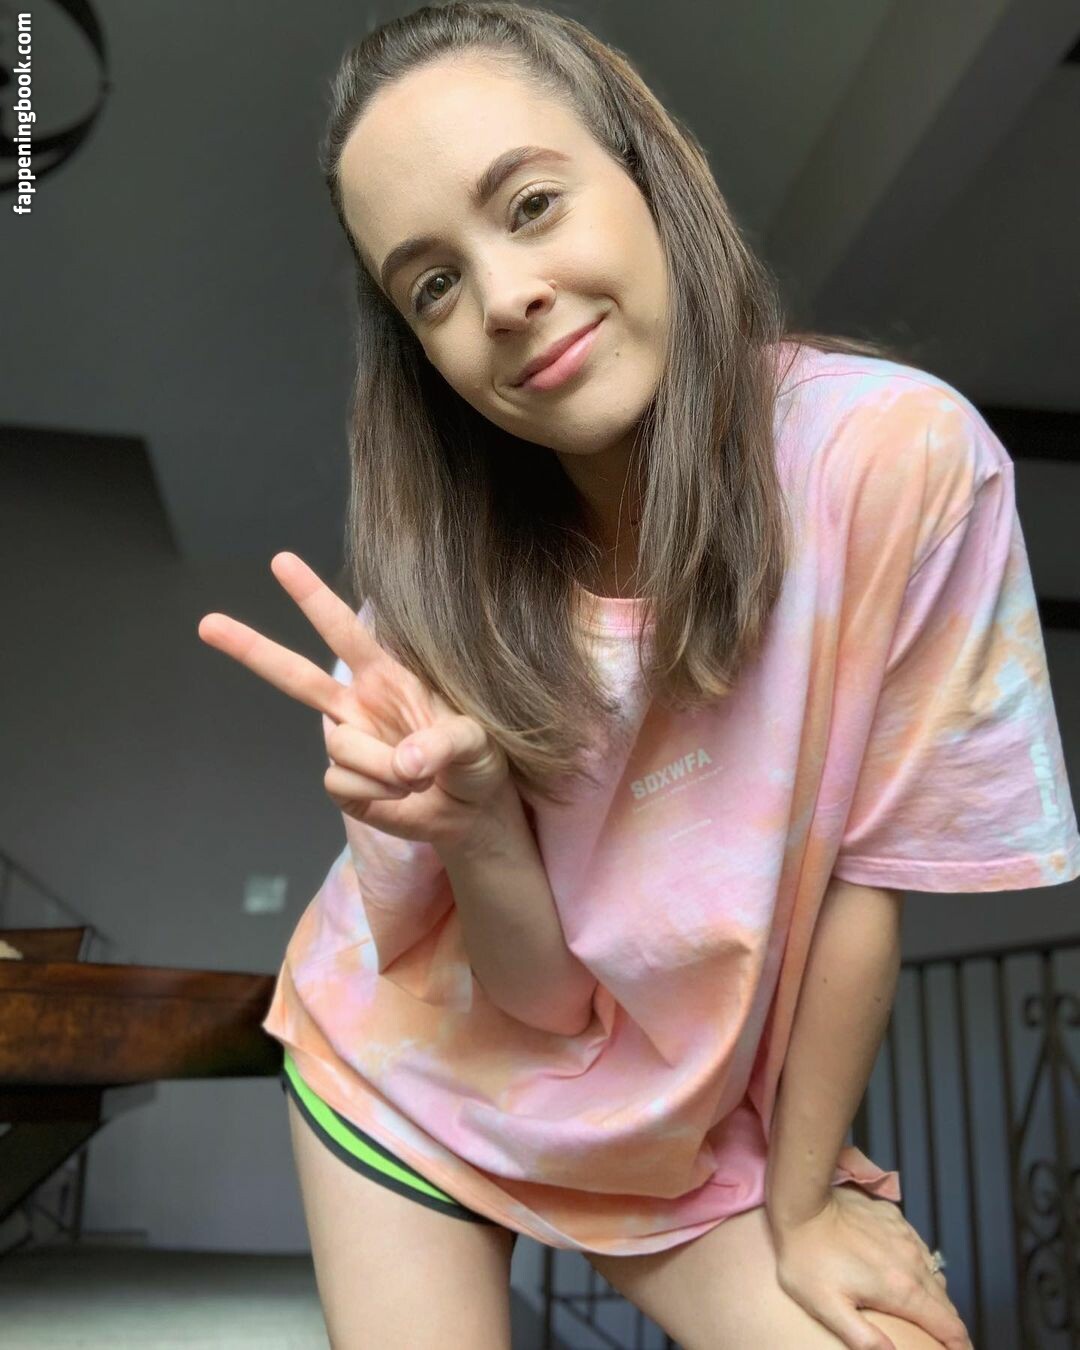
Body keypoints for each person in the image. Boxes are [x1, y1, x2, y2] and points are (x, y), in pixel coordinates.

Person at [198, 4, 1080, 1346]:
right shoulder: (427, 609)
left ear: (644, 169)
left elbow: (866, 883)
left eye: (532, 204)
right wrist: (475, 819)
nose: (505, 296)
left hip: (679, 1122)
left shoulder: (896, 461)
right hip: (406, 1073)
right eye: (433, 286)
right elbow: (537, 1002)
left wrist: (804, 1203)